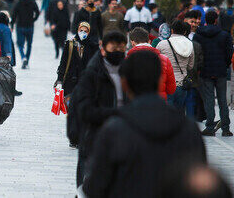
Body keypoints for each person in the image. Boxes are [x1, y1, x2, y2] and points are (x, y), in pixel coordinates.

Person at [82, 50, 206, 198]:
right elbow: (200, 184)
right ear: (161, 80)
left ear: (124, 83)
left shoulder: (114, 129)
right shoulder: (189, 129)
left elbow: (94, 187)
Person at [73, 30, 127, 186]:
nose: (118, 52)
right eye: (114, 48)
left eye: (121, 48)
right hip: (94, 137)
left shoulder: (129, 73)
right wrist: (116, 113)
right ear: (103, 49)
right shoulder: (91, 74)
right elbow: (84, 110)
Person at [193, 10, 233, 136]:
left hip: (205, 71)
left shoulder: (198, 35)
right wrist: (225, 65)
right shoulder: (224, 35)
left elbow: (196, 52)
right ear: (216, 20)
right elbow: (229, 52)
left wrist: (199, 66)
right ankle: (225, 128)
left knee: (209, 99)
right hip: (220, 70)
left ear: (206, 20)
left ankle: (210, 127)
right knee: (222, 100)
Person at [155, 21, 194, 109]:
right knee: (179, 113)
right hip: (182, 84)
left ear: (171, 30)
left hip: (167, 83)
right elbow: (190, 66)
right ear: (184, 32)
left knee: (167, 113)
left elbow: (156, 63)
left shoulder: (162, 44)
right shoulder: (190, 44)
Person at [55, 22, 96, 98]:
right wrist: (59, 80)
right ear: (78, 30)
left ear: (89, 32)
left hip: (85, 82)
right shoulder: (70, 44)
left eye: (85, 31)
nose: (83, 32)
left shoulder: (93, 46)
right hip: (70, 81)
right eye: (81, 30)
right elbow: (63, 62)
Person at [10, 0, 40, 69]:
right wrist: (33, 19)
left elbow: (14, 15)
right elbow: (37, 12)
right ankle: (27, 59)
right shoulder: (33, 2)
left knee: (20, 44)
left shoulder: (18, 3)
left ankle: (23, 58)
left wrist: (12, 25)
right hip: (30, 26)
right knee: (29, 44)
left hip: (20, 26)